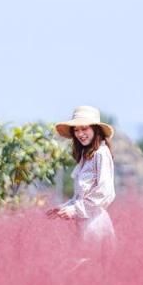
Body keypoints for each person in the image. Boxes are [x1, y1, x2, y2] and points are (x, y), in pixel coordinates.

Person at [47, 105, 116, 255]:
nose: (80, 134)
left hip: (95, 225)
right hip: (84, 225)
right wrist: (64, 207)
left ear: (95, 129)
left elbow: (105, 192)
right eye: (76, 130)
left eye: (84, 129)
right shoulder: (86, 156)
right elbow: (81, 196)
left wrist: (75, 210)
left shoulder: (101, 153)